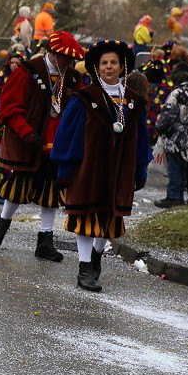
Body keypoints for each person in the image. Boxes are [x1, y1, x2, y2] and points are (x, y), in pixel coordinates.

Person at [51, 40, 151, 292]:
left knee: (107, 221)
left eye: (113, 63)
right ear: (97, 67)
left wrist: (140, 170)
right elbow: (67, 135)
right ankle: (84, 269)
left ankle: (96, 257)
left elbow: (141, 140)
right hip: (88, 168)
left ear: (121, 67)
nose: (109, 67)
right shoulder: (84, 98)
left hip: (120, 171)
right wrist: (65, 170)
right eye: (104, 63)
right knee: (85, 218)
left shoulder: (133, 101)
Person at [0, 31, 85, 260]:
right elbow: (9, 107)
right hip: (28, 141)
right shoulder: (26, 71)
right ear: (52, 53)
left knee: (51, 191)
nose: (69, 64)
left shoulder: (71, 77)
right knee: (18, 188)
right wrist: (26, 132)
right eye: (65, 59)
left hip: (56, 145)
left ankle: (45, 242)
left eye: (71, 60)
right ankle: (0, 229)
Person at [153, 62, 188, 208]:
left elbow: (168, 114)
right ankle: (180, 195)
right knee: (183, 168)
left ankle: (174, 196)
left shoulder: (178, 93)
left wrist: (159, 128)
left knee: (174, 168)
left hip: (176, 138)